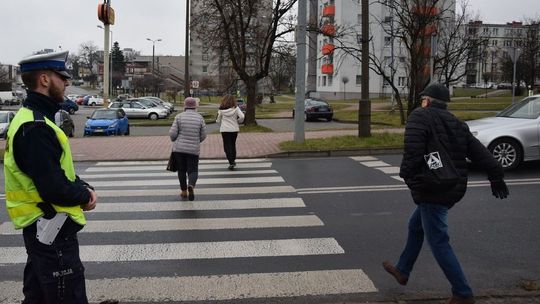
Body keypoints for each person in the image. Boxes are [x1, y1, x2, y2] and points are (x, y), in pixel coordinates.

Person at [382, 83, 509, 304]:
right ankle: (402, 270)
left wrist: (406, 175)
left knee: (439, 241)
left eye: (423, 98)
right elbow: (480, 152)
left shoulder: (419, 116)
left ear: (427, 100)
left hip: (433, 187)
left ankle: (463, 293)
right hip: (453, 186)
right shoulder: (457, 123)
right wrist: (496, 175)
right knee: (416, 225)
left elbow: (413, 150)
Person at [4, 51, 99, 303]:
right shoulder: (35, 127)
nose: (67, 82)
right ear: (45, 79)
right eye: (62, 77)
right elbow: (52, 186)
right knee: (67, 296)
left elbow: (56, 171)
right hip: (51, 228)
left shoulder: (33, 120)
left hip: (43, 229)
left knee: (37, 296)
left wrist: (81, 184)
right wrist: (84, 195)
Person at [169, 97, 207, 201]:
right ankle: (191, 185)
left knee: (181, 170)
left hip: (179, 150)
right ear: (195, 106)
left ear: (185, 106)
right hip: (193, 150)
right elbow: (203, 135)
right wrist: (196, 141)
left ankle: (184, 191)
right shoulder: (200, 118)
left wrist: (175, 139)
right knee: (193, 170)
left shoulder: (179, 117)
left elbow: (172, 134)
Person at [216, 94, 245, 170]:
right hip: (234, 129)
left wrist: (221, 123)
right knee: (232, 144)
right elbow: (242, 116)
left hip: (225, 130)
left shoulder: (221, 110)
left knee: (227, 146)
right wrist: (238, 121)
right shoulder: (236, 108)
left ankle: (231, 161)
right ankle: (233, 160)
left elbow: (218, 120)